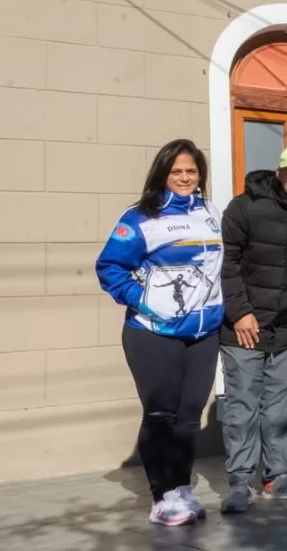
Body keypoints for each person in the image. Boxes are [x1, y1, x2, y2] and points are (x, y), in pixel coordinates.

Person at [95, 139, 222, 526]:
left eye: (192, 171)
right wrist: (147, 298)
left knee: (189, 415)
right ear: (163, 174)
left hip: (204, 331)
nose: (185, 177)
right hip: (154, 332)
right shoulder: (140, 217)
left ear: (200, 175)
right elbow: (110, 268)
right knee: (161, 414)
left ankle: (181, 489)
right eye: (177, 171)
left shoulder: (211, 212)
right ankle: (161, 497)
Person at [218, 145, 287, 511]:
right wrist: (239, 313)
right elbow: (228, 263)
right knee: (242, 404)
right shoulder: (244, 207)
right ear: (279, 173)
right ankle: (240, 481)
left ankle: (278, 477)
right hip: (244, 326)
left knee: (282, 407)